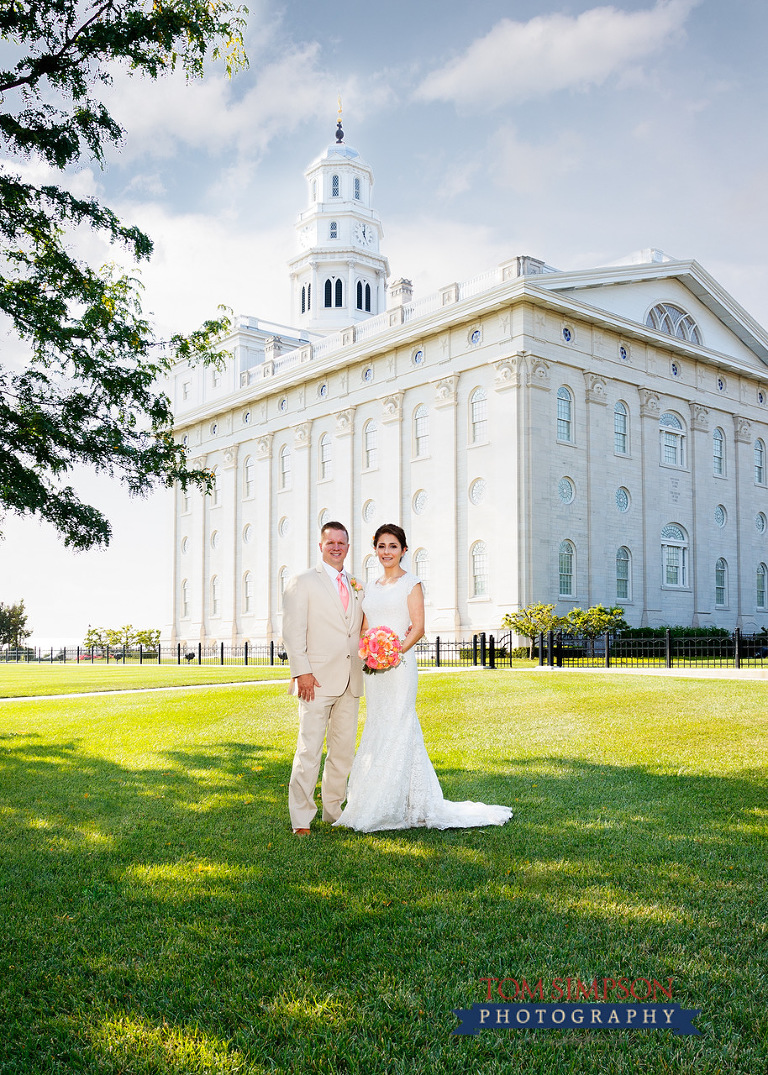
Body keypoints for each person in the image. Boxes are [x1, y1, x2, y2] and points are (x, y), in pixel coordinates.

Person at [335, 524, 513, 832]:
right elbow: (365, 625)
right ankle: (377, 800)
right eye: (381, 546)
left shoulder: (412, 583)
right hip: (374, 670)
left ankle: (408, 803)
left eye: (392, 546)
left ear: (404, 550)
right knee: (378, 725)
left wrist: (391, 654)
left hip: (399, 666)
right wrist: (369, 651)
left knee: (400, 724)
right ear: (374, 550)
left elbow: (418, 627)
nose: (386, 552)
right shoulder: (370, 587)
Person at [283, 522, 365, 835]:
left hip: (350, 681)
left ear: (347, 546)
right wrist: (301, 672)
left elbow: (356, 629)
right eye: (330, 542)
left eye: (341, 542)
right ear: (320, 546)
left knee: (342, 752)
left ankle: (334, 811)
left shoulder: (357, 584)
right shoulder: (302, 581)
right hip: (314, 681)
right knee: (309, 750)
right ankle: (301, 819)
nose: (336, 547)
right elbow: (292, 631)